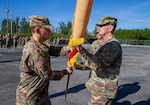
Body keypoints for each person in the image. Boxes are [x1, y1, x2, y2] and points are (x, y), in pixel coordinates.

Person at [16, 15, 72, 105]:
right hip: (30, 99)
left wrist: (70, 47)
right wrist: (65, 72)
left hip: (41, 94)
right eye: (47, 28)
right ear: (38, 30)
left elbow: (56, 51)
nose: (50, 31)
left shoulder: (40, 45)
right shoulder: (34, 52)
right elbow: (48, 75)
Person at [75, 16, 122, 105]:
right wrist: (76, 65)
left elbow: (97, 65)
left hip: (103, 90)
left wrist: (80, 48)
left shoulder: (112, 46)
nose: (98, 28)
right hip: (98, 88)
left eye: (101, 26)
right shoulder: (104, 44)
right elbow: (92, 63)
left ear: (110, 28)